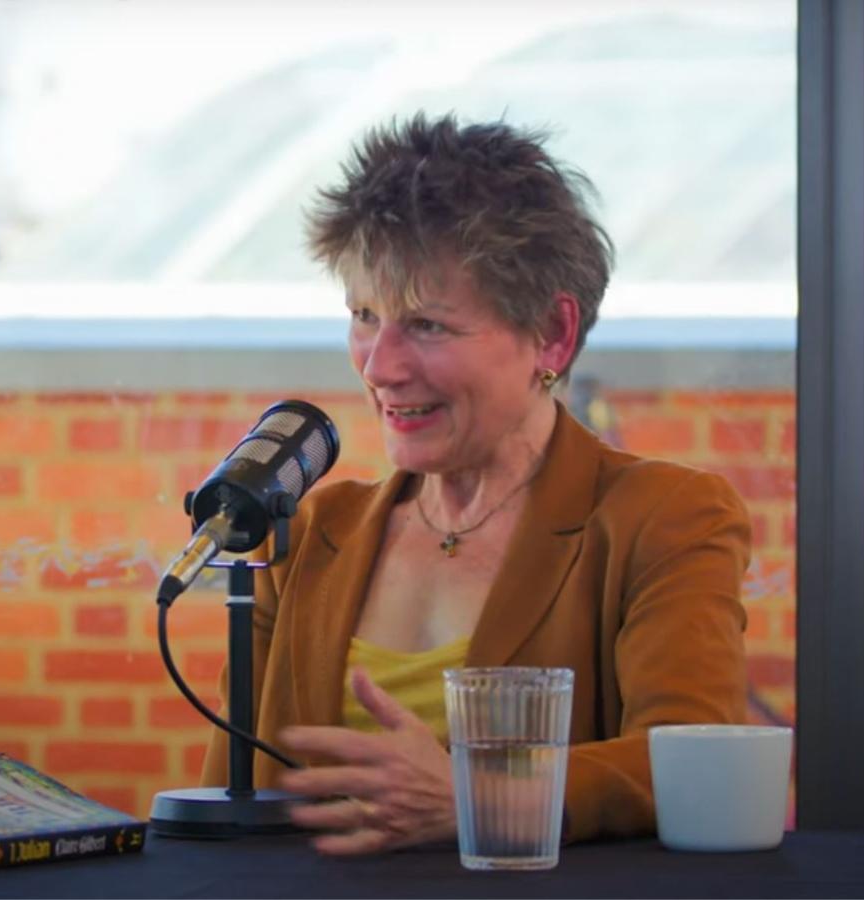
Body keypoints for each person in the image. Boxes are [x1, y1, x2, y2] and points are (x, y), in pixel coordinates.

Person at [199, 112, 750, 853]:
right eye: (364, 315)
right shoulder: (312, 530)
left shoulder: (663, 517)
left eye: (426, 325)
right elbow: (223, 807)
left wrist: (474, 796)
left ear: (551, 336)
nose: (379, 366)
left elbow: (691, 763)